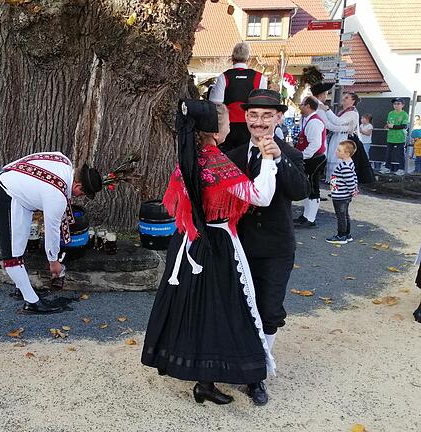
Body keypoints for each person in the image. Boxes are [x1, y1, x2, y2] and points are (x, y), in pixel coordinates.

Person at [142, 100, 277, 405]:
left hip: (188, 240)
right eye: (228, 122)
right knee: (229, 310)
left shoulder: (186, 160)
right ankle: (238, 373)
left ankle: (192, 373)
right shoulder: (216, 164)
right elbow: (261, 196)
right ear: (215, 131)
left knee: (192, 310)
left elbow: (180, 204)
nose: (232, 126)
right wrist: (268, 160)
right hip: (217, 246)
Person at [225, 89, 310, 405]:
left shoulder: (292, 154)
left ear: (278, 117)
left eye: (266, 115)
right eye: (253, 115)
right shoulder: (231, 156)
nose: (259, 121)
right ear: (246, 117)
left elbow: (301, 191)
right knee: (237, 308)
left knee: (270, 311)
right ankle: (235, 362)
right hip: (239, 247)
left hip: (276, 248)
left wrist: (279, 158)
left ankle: (258, 373)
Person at [0, 152, 103, 313]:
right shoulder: (57, 197)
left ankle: (22, 288)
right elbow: (52, 232)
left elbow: (33, 158)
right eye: (82, 194)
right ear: (78, 186)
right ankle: (31, 303)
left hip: (12, 186)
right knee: (12, 255)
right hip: (3, 196)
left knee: (19, 243)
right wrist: (54, 262)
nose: (80, 197)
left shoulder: (64, 161)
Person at [209, 42, 268, 153]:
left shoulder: (224, 76)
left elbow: (216, 101)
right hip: (250, 125)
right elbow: (261, 103)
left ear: (232, 57)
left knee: (228, 157)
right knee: (247, 157)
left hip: (228, 125)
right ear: (248, 58)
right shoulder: (259, 78)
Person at [294, 97, 327, 229]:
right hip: (311, 158)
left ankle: (311, 218)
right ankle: (306, 216)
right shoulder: (309, 120)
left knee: (313, 188)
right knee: (309, 187)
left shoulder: (314, 122)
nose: (300, 107)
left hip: (314, 159)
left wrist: (302, 156)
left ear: (308, 106)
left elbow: (315, 144)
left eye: (302, 104)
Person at [318, 91, 360, 179]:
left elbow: (337, 122)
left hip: (344, 139)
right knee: (333, 162)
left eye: (347, 97)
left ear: (353, 101)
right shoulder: (343, 112)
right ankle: (334, 187)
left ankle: (339, 187)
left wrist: (327, 110)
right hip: (337, 137)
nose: (343, 99)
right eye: (344, 97)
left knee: (339, 163)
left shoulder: (352, 113)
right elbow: (335, 125)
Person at [326, 140, 358, 245]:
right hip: (342, 194)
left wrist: (353, 190)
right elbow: (354, 177)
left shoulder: (344, 166)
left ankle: (341, 235)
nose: (336, 152)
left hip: (341, 195)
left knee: (341, 216)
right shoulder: (348, 163)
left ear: (347, 153)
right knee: (344, 215)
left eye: (339, 150)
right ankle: (347, 234)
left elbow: (350, 180)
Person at [381, 98, 410, 175]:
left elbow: (403, 126)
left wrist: (393, 126)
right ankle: (387, 167)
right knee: (388, 153)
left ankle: (401, 169)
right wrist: (387, 126)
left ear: (402, 105)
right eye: (394, 104)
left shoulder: (404, 114)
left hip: (400, 138)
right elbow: (389, 123)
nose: (396, 105)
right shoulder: (390, 113)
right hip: (390, 137)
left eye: (398, 103)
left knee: (400, 154)